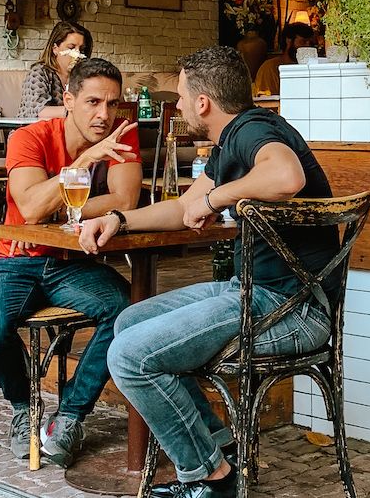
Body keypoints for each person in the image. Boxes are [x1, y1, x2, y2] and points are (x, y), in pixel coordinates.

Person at [83, 46, 336, 498]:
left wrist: (216, 199)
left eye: (180, 95)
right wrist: (119, 220)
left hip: (291, 310)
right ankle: (220, 450)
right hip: (252, 293)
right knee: (129, 323)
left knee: (129, 356)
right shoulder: (229, 144)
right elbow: (183, 208)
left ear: (203, 103)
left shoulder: (253, 129)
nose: (177, 105)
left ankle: (209, 478)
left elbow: (286, 177)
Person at [0, 57, 141, 468]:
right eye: (93, 102)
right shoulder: (30, 137)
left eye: (113, 104)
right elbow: (29, 209)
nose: (104, 115)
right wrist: (82, 163)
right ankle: (22, 404)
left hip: (71, 263)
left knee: (125, 308)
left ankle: (70, 416)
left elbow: (125, 201)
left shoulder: (121, 137)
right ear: (69, 100)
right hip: (14, 260)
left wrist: (63, 209)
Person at [17, 20, 94, 119]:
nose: (78, 54)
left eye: (82, 49)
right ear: (55, 48)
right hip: (31, 131)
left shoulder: (82, 78)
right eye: (71, 47)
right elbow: (40, 111)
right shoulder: (39, 73)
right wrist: (78, 111)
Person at [252, 22, 316, 95]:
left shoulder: (310, 69)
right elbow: (267, 100)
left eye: (311, 43)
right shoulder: (270, 67)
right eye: (303, 42)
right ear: (288, 40)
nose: (307, 47)